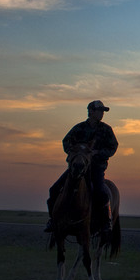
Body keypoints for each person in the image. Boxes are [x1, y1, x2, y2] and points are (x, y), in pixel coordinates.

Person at [43, 100, 119, 235]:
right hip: (77, 168)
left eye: (103, 111)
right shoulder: (79, 128)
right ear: (91, 111)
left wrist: (98, 153)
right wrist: (75, 154)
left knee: (101, 192)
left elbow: (113, 147)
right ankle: (53, 220)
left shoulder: (106, 129)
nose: (102, 113)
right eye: (99, 110)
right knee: (54, 189)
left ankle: (106, 222)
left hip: (96, 168)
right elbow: (66, 142)